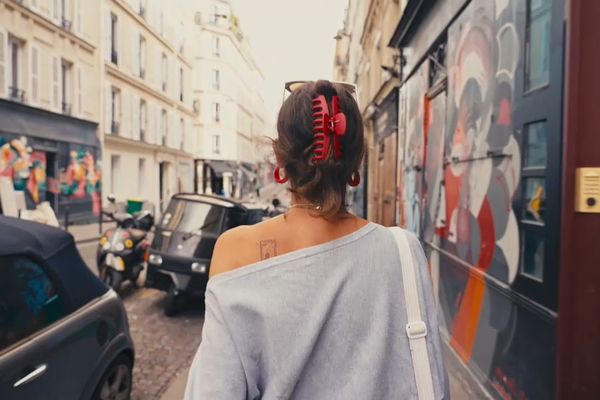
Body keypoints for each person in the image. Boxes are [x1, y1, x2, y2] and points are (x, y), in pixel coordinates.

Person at [184, 80, 449, 399]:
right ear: (356, 162)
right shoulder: (404, 252)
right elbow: (428, 375)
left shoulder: (235, 251)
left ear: (279, 163)